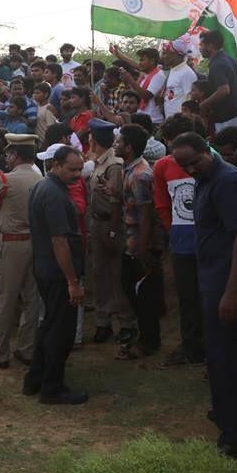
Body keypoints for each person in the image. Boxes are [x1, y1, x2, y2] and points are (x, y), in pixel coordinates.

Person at [171, 132, 237, 458]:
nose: (190, 169)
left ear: (206, 151)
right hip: (214, 282)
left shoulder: (227, 181)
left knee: (227, 360)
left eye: (194, 162)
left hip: (230, 285)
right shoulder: (205, 179)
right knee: (219, 359)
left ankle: (236, 437)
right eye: (184, 166)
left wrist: (231, 293)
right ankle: (227, 415)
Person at [23, 145, 87, 405]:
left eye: (80, 169)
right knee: (61, 333)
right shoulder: (53, 194)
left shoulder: (46, 187)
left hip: (47, 268)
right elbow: (59, 241)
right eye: (72, 169)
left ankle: (35, 380)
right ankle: (52, 388)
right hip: (58, 273)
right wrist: (73, 281)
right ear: (56, 165)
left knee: (49, 325)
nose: (78, 175)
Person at [0, 134, 43, 369]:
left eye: (9, 154)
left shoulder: (5, 179)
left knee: (6, 298)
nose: (7, 158)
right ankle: (27, 348)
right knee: (31, 298)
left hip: (11, 243)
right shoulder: (39, 176)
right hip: (34, 242)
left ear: (15, 155)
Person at [153, 114, 205, 367]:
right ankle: (191, 346)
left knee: (212, 294)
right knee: (187, 297)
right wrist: (172, 230)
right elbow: (162, 203)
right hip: (182, 242)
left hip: (210, 241)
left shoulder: (210, 160)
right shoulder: (162, 166)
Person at [114, 124, 162, 359]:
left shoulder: (140, 175)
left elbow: (146, 215)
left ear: (129, 147)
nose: (115, 144)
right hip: (132, 240)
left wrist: (142, 249)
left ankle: (149, 342)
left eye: (119, 141)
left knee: (143, 296)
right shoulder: (130, 169)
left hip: (140, 244)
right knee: (133, 291)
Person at [85, 119, 135, 345]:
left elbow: (116, 201)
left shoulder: (113, 164)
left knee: (116, 275)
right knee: (99, 274)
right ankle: (103, 320)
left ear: (93, 139)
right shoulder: (98, 162)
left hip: (110, 225)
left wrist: (114, 230)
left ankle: (125, 322)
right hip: (97, 224)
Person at [200, 29, 237, 132]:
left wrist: (204, 104)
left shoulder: (217, 64)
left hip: (229, 118)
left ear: (210, 46)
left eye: (202, 45)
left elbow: (224, 90)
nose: (200, 49)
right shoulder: (230, 58)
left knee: (228, 147)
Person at [161, 41, 197, 118]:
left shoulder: (187, 73)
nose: (162, 57)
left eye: (165, 53)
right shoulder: (173, 70)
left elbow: (190, 100)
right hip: (170, 120)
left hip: (181, 122)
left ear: (176, 55)